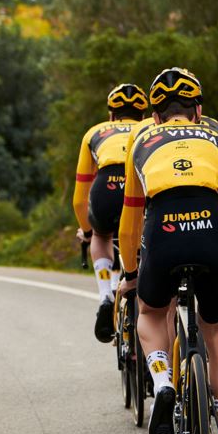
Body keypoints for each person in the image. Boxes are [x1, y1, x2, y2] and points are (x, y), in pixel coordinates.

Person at [116, 68, 218, 434]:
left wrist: (131, 273)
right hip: (211, 231)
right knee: (217, 331)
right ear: (198, 112)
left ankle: (162, 382)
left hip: (164, 232)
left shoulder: (141, 142)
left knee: (152, 313)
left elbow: (128, 222)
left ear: (154, 116)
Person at [74, 83, 149, 342]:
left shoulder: (95, 132)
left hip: (106, 186)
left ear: (111, 115)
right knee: (143, 238)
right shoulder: (150, 128)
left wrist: (85, 230)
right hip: (138, 185)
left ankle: (106, 294)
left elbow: (79, 198)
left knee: (101, 235)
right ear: (143, 114)